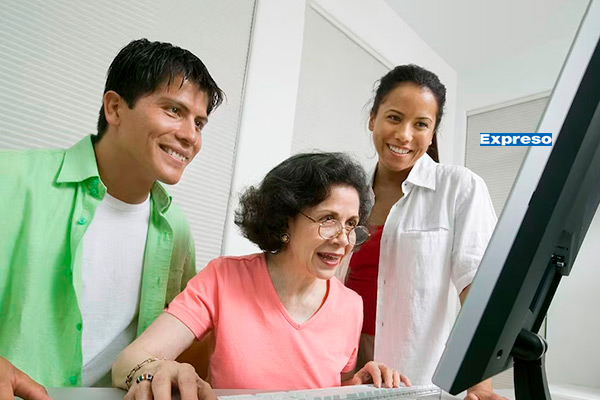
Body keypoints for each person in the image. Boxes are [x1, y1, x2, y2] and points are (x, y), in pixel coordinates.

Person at [0, 38, 224, 397]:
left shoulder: (177, 228)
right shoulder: (10, 178)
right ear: (115, 108)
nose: (190, 136)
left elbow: (175, 345)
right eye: (173, 111)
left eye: (199, 123)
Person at [112, 152, 410, 399]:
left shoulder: (351, 305)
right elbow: (128, 362)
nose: (343, 239)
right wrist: (155, 371)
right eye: (328, 219)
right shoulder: (224, 278)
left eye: (351, 224)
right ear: (285, 221)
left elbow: (334, 388)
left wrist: (358, 387)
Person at [342, 65, 506, 400]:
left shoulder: (459, 187)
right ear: (372, 119)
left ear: (432, 134)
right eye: (394, 117)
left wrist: (480, 386)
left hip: (416, 376)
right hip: (346, 372)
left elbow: (479, 291)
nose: (404, 135)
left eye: (420, 124)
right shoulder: (346, 193)